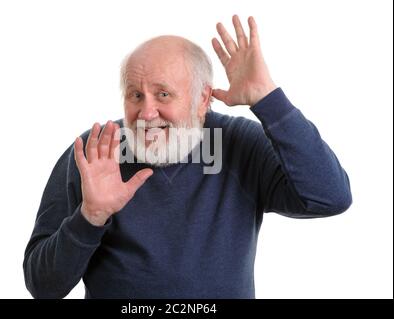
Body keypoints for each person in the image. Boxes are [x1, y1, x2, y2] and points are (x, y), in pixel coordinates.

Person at [23, 15, 352, 298]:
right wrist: (90, 217)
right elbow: (42, 286)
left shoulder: (239, 143)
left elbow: (330, 197)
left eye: (163, 94)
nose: (146, 113)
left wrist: (268, 100)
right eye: (135, 95)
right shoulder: (96, 152)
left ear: (203, 98)